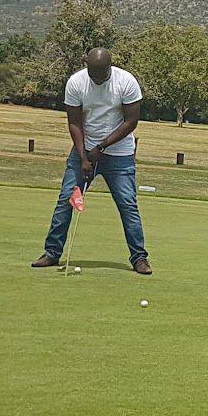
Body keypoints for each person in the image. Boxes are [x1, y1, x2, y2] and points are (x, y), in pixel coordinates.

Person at [33, 47, 151, 274]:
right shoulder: (76, 82)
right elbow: (74, 123)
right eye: (93, 75)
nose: (97, 80)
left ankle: (139, 258)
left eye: (102, 75)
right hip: (84, 152)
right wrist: (83, 157)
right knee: (67, 199)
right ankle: (52, 253)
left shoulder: (126, 81)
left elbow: (131, 122)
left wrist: (102, 146)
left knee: (127, 204)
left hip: (119, 155)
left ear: (110, 67)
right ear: (86, 64)